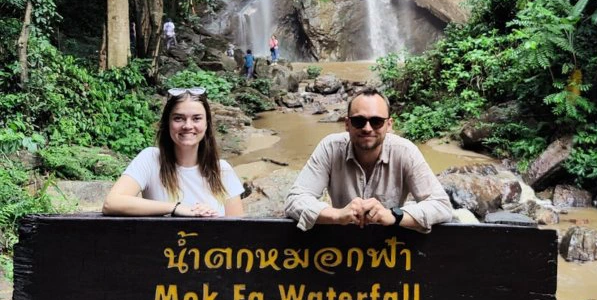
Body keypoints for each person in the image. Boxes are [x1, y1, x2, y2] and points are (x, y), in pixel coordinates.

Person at [284, 88, 453, 233]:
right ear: (347, 124)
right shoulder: (330, 148)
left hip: (392, 249)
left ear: (389, 125)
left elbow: (441, 205)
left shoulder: (405, 152)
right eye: (359, 121)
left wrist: (394, 215)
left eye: (376, 121)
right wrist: (337, 215)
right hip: (340, 249)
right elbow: (295, 200)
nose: (367, 128)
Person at [103, 87, 244, 217]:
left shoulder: (222, 170)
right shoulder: (151, 159)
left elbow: (238, 230)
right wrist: (176, 208)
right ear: (168, 123)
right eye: (178, 118)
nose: (188, 126)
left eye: (196, 118)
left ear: (207, 124)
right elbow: (112, 202)